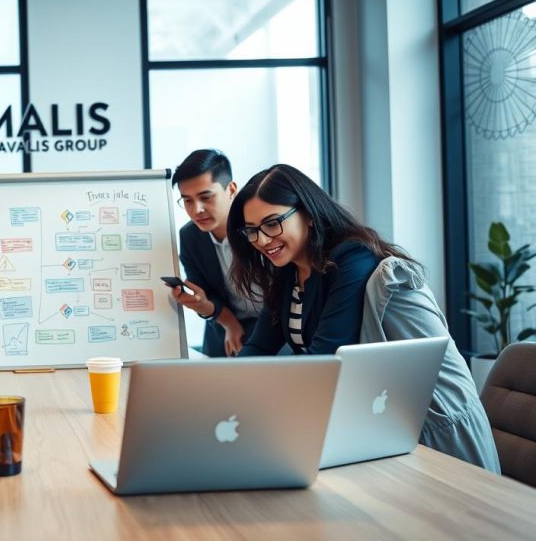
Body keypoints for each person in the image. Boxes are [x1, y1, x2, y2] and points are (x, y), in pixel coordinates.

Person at [227, 163, 500, 471]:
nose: (262, 240)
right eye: (252, 230)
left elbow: (325, 358)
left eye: (272, 223)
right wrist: (225, 393)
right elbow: (259, 348)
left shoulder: (351, 257)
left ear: (309, 215)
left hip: (436, 425)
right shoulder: (289, 273)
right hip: (383, 422)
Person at [167, 149, 263, 357]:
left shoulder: (259, 226)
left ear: (231, 190)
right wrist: (212, 311)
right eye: (187, 200)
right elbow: (207, 292)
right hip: (223, 330)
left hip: (275, 326)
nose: (197, 209)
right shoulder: (189, 236)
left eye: (206, 197)